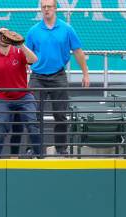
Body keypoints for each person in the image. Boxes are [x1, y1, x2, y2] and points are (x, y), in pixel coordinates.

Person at [25, 0, 90, 155]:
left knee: (60, 115)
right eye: (44, 7)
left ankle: (61, 149)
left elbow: (78, 52)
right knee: (34, 115)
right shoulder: (33, 31)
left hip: (58, 76)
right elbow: (26, 56)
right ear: (41, 9)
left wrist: (86, 74)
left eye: (49, 7)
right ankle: (32, 149)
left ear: (55, 8)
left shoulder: (67, 29)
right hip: (37, 78)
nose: (46, 9)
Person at [0, 27, 40, 158]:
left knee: (32, 125)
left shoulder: (19, 52)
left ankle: (39, 156)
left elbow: (34, 60)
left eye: (7, 33)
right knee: (1, 127)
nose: (4, 35)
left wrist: (21, 44)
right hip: (3, 98)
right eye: (1, 33)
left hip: (24, 96)